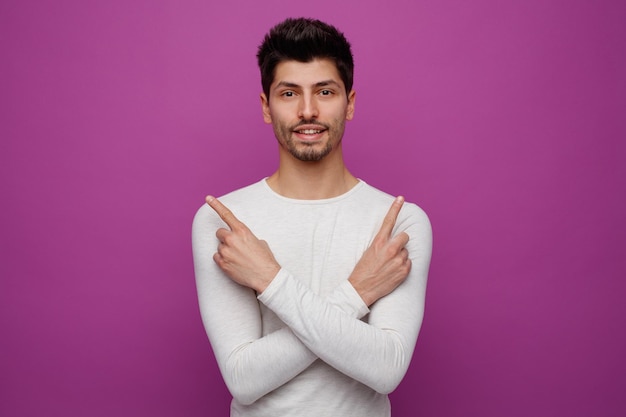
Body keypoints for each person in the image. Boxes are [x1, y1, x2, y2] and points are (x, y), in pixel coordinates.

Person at [192, 17, 432, 417]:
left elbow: (385, 369)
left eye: (325, 91)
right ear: (267, 107)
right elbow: (243, 378)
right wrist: (357, 293)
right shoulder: (225, 222)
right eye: (289, 93)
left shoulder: (400, 222)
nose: (308, 110)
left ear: (350, 103)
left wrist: (269, 280)